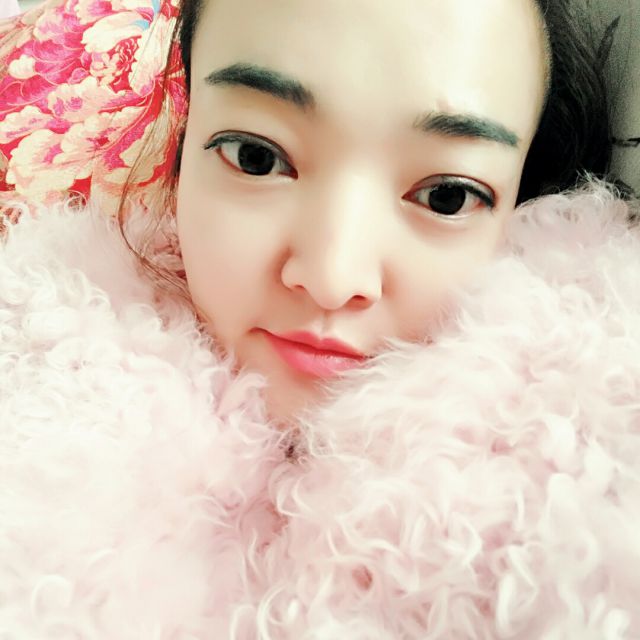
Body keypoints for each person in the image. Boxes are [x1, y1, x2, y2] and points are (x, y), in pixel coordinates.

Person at [1, 0, 639, 637]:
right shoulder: (41, 361)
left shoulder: (586, 496)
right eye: (256, 157)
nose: (333, 278)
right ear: (181, 145)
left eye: (447, 196)